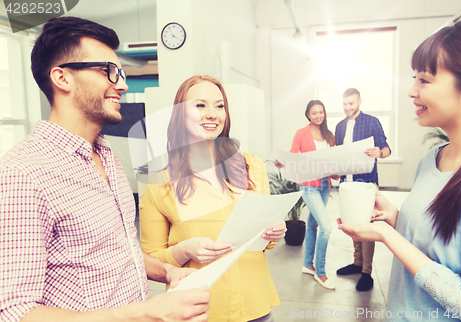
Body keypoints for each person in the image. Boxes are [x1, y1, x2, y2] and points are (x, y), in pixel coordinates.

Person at [0, 17, 210, 322]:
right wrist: (145, 313)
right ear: (62, 78)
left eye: (120, 72)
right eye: (107, 71)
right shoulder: (23, 173)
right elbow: (14, 310)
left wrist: (168, 272)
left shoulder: (105, 153)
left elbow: (119, 251)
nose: (122, 84)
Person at [339, 19, 461, 321]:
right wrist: (396, 218)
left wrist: (388, 236)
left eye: (424, 80)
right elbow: (439, 250)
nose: (412, 91)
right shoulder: (431, 159)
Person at [140, 75, 286, 322]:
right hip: (197, 310)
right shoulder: (159, 182)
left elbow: (265, 242)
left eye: (220, 106)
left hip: (255, 305)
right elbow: (149, 258)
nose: (213, 114)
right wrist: (185, 250)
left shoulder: (251, 166)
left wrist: (273, 232)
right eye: (200, 105)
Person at [334, 88, 391, 291]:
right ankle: (357, 262)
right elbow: (338, 154)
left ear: (359, 102)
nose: (347, 107)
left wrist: (379, 152)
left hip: (366, 184)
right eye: (345, 104)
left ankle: (367, 272)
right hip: (346, 183)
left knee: (366, 227)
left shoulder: (372, 121)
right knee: (352, 224)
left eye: (351, 103)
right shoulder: (340, 126)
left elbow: (386, 149)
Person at [277, 100, 337, 289]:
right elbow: (294, 156)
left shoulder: (329, 135)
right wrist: (284, 162)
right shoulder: (301, 134)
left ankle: (307, 265)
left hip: (325, 184)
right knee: (326, 228)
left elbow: (333, 160)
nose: (318, 115)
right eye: (314, 113)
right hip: (309, 186)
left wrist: (337, 171)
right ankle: (320, 272)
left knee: (312, 224)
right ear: (308, 115)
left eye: (321, 112)